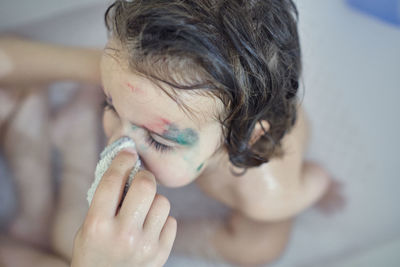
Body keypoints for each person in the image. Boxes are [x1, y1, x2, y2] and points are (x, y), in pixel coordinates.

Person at [0, 0, 340, 266]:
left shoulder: (265, 194)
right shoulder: (146, 79)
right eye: (109, 105)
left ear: (244, 140)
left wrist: (316, 190)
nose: (117, 142)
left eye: (160, 140)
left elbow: (317, 178)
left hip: (254, 167)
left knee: (259, 249)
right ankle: (77, 134)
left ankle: (81, 145)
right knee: (68, 239)